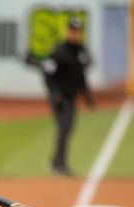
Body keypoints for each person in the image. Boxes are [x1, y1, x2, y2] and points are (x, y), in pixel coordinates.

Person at [28, 17, 95, 176]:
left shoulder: (81, 50)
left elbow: (81, 76)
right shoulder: (59, 51)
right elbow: (47, 74)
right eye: (72, 30)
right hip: (59, 97)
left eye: (77, 31)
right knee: (65, 128)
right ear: (67, 31)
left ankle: (55, 161)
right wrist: (55, 94)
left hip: (71, 97)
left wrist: (87, 97)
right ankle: (59, 164)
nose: (75, 34)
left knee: (67, 128)